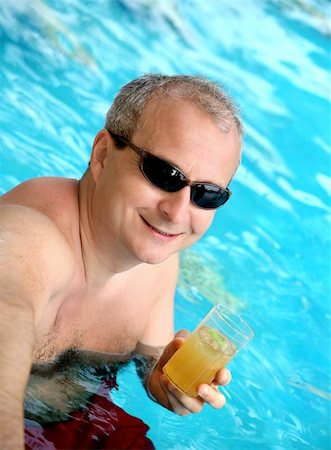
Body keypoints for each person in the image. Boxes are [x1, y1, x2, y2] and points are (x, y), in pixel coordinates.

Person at [0, 74, 243, 449]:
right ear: (101, 155)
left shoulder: (159, 261)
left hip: (79, 419)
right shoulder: (32, 236)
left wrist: (164, 380)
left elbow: (150, 362)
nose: (178, 213)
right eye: (164, 174)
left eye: (206, 195)